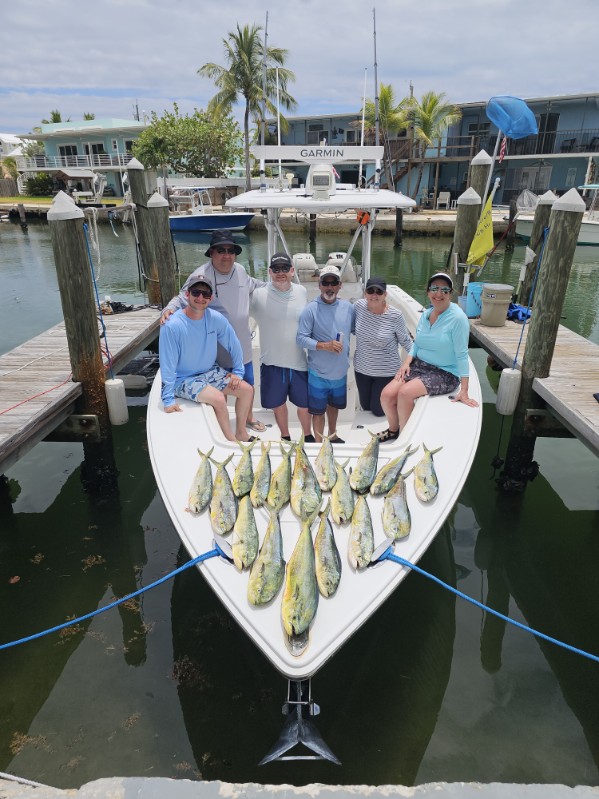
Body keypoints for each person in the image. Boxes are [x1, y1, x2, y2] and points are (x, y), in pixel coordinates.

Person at [160, 229, 267, 432]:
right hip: (216, 350)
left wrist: (279, 286)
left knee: (248, 387)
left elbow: (257, 285)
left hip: (241, 343)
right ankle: (222, 429)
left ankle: (248, 419)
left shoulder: (241, 271)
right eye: (220, 250)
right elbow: (181, 297)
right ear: (211, 253)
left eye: (230, 250)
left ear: (235, 254)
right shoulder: (201, 276)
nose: (226, 255)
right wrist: (168, 309)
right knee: (221, 393)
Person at [378, 272, 479, 441]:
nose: (438, 294)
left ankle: (405, 439)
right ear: (428, 291)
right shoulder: (426, 314)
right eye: (434, 289)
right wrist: (407, 362)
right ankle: (393, 430)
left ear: (450, 293)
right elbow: (417, 343)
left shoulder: (458, 318)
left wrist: (465, 390)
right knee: (387, 394)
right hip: (420, 365)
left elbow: (462, 355)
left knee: (405, 393)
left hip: (444, 372)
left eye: (444, 290)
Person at [159, 275, 255, 443]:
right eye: (196, 292)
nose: (200, 298)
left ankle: (241, 433)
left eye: (205, 294)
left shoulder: (215, 318)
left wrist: (238, 373)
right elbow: (167, 363)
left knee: (247, 390)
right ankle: (231, 441)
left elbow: (234, 344)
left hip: (209, 371)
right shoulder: (172, 325)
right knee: (218, 398)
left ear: (211, 298)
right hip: (183, 379)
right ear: (187, 295)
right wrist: (168, 399)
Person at [250, 253, 314, 441]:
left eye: (285, 268)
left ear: (292, 271)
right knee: (278, 404)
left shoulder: (301, 291)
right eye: (276, 269)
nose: (280, 273)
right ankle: (285, 435)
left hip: (299, 361)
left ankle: (307, 434)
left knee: (304, 404)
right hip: (272, 362)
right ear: (269, 272)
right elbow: (234, 309)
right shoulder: (258, 295)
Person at [296, 266, 355, 444]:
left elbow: (355, 329)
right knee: (318, 411)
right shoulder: (310, 309)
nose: (329, 287)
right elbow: (301, 339)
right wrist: (324, 346)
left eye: (333, 283)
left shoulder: (348, 307)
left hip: (340, 372)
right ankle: (319, 442)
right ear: (319, 285)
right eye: (325, 283)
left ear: (340, 285)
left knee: (334, 406)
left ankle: (333, 434)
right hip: (318, 373)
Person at [353, 276, 413, 417]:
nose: (374, 295)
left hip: (386, 373)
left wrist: (409, 363)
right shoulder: (358, 307)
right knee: (365, 407)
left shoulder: (395, 315)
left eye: (379, 292)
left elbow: (407, 342)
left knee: (378, 411)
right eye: (370, 291)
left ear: (385, 294)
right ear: (365, 293)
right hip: (362, 370)